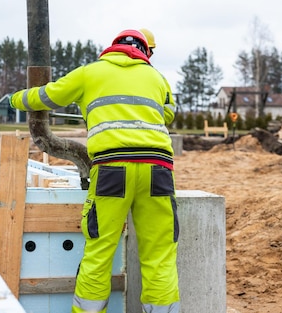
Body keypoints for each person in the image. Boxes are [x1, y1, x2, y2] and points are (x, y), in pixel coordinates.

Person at [10, 29, 179, 313]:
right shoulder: (157, 78)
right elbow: (169, 113)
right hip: (158, 170)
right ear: (145, 52)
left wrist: (15, 99)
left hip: (112, 170)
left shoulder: (89, 73)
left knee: (99, 253)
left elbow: (46, 97)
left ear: (112, 48)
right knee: (160, 255)